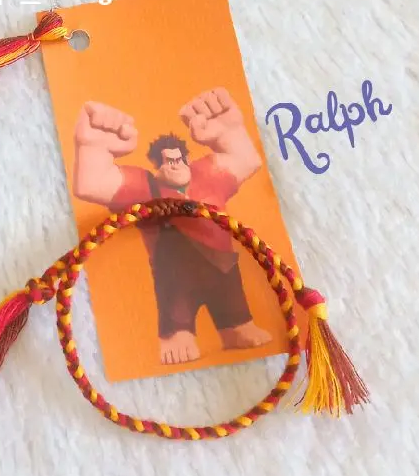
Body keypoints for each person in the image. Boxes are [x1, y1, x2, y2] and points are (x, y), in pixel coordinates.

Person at [72, 88, 272, 365]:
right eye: (168, 161)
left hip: (223, 268)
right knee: (176, 303)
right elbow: (92, 184)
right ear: (157, 165)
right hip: (176, 280)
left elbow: (247, 161)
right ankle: (176, 333)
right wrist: (93, 148)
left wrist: (231, 133)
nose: (175, 165)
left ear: (187, 159)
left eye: (179, 159)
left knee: (231, 298)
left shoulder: (209, 172)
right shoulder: (145, 187)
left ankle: (236, 324)